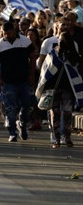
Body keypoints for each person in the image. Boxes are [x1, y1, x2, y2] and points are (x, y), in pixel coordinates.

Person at [35, 16, 81, 148]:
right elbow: (44, 65)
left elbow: (75, 66)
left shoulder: (74, 47)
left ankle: (67, 136)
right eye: (63, 25)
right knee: (54, 113)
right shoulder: (50, 47)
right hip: (52, 86)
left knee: (67, 113)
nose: (65, 27)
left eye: (67, 25)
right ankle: (56, 138)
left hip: (67, 86)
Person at [0, 20, 37, 142]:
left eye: (10, 33)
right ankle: (12, 133)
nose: (7, 36)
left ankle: (22, 124)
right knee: (10, 109)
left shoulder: (25, 41)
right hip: (8, 82)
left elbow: (32, 56)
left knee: (27, 106)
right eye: (5, 33)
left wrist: (32, 73)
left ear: (14, 30)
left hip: (24, 81)